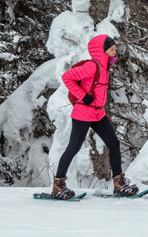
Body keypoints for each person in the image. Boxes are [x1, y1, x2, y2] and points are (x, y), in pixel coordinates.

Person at [51, 34, 139, 199]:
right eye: (112, 49)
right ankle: (58, 185)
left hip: (98, 113)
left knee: (113, 143)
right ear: (103, 51)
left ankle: (119, 184)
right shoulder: (92, 66)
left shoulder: (104, 67)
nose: (115, 52)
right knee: (74, 147)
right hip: (84, 112)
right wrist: (83, 96)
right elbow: (67, 77)